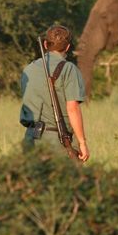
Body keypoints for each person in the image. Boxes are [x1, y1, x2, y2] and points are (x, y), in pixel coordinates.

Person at [20, 25, 90, 162]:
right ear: (68, 47)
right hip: (57, 140)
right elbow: (73, 108)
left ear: (45, 44)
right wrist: (82, 142)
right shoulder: (69, 69)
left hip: (30, 138)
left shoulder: (28, 69)